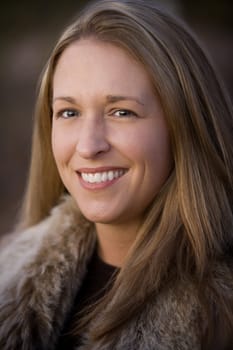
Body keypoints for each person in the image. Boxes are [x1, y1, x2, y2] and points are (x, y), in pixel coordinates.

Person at [0, 0, 233, 349]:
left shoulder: (221, 318)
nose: (89, 146)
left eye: (122, 111)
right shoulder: (7, 274)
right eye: (68, 112)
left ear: (185, 126)